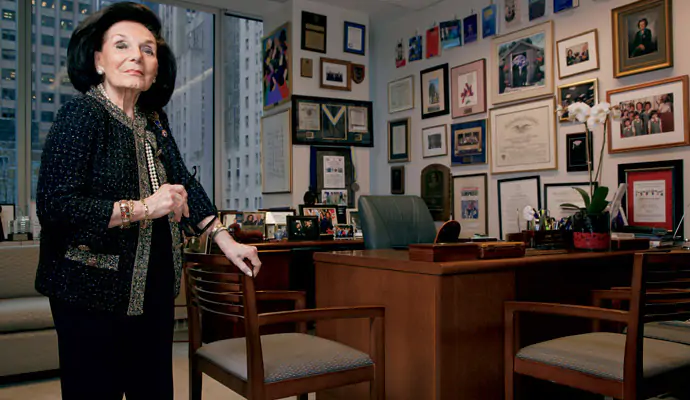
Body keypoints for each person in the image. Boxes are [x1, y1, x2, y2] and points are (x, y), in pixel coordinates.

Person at [34, 3, 262, 399]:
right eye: (121, 45)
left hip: (154, 290)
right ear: (99, 60)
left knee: (153, 390)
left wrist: (226, 240)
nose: (136, 56)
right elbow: (56, 208)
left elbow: (185, 185)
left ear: (156, 68)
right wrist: (145, 207)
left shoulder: (153, 119)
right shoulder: (81, 115)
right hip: (89, 293)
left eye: (148, 49)